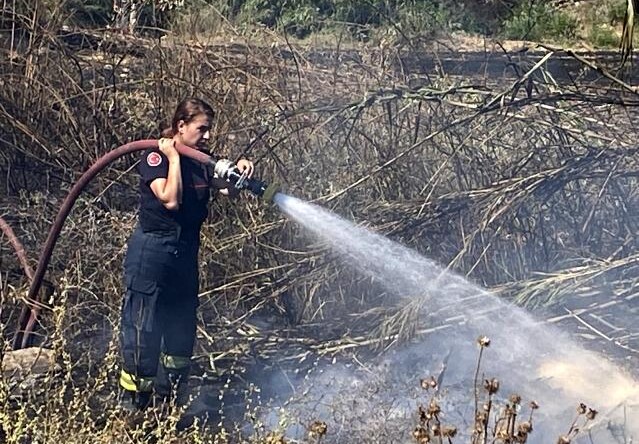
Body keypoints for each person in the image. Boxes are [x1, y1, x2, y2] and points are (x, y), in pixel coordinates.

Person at [118, 98, 254, 410]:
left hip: (184, 256)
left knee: (180, 330)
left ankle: (169, 406)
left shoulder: (201, 160)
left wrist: (241, 172)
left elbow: (226, 189)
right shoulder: (155, 157)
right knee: (143, 330)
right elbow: (170, 199)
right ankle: (134, 409)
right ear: (181, 126)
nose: (207, 136)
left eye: (209, 130)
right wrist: (173, 157)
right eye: (201, 129)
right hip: (152, 255)